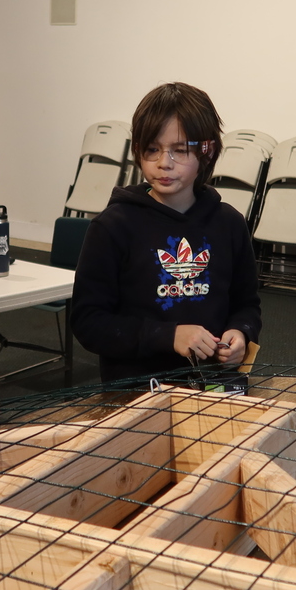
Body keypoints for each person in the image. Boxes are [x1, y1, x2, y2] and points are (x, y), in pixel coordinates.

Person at [71, 82, 261, 384]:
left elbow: (247, 304)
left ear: (207, 151)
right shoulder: (113, 226)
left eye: (179, 151)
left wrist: (240, 332)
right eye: (152, 150)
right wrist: (167, 335)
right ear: (138, 150)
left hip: (214, 388)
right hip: (138, 394)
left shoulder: (229, 224)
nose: (163, 163)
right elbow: (89, 322)